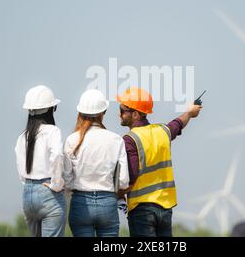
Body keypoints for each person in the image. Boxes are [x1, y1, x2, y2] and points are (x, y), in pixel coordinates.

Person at [117, 87, 202, 237]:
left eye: (122, 109)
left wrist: (118, 195)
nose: (119, 113)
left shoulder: (130, 140)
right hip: (165, 208)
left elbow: (131, 177)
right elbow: (178, 124)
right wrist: (190, 112)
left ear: (135, 114)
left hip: (142, 209)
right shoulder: (162, 131)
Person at [65, 89, 129, 237]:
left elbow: (67, 181)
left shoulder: (72, 140)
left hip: (80, 203)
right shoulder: (116, 139)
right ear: (103, 112)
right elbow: (124, 181)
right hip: (108, 203)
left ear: (80, 112)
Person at [14, 85, 71, 237]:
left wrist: (31, 186)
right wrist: (57, 184)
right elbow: (58, 155)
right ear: (50, 109)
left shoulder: (22, 137)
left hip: (28, 193)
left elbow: (20, 170)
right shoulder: (53, 131)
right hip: (49, 192)